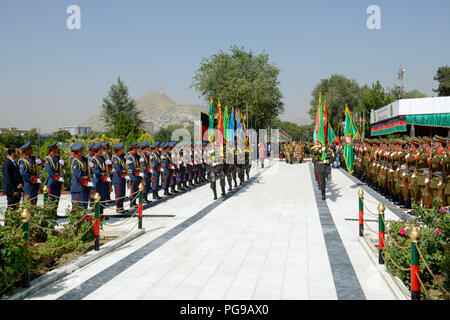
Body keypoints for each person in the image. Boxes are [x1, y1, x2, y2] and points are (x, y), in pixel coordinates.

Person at [69, 142, 91, 209]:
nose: (83, 152)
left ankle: (84, 217)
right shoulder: (75, 160)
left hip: (84, 185)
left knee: (84, 204)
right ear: (78, 151)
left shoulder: (83, 159)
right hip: (78, 185)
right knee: (78, 205)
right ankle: (78, 218)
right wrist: (84, 182)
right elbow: (77, 174)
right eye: (81, 150)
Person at [44, 142, 65, 206]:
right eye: (55, 148)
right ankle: (50, 214)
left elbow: (60, 168)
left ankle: (55, 212)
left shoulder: (58, 158)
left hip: (58, 182)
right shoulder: (47, 159)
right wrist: (58, 178)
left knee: (57, 198)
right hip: (52, 181)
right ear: (52, 149)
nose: (57, 149)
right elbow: (49, 171)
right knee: (51, 198)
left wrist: (63, 164)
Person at [111, 142, 129, 213]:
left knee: (122, 193)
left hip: (122, 178)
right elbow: (118, 169)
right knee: (118, 193)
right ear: (118, 150)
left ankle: (121, 207)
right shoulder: (115, 158)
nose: (122, 150)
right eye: (121, 149)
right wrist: (124, 175)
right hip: (118, 178)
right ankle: (118, 208)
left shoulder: (120, 157)